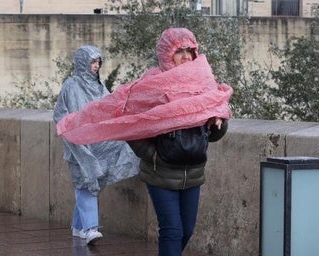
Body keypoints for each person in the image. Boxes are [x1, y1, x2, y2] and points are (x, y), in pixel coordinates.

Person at [126, 28, 229, 256]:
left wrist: (218, 120)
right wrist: (152, 154)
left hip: (192, 172)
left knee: (187, 231)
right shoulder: (152, 85)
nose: (186, 57)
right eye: (179, 51)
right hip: (161, 172)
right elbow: (131, 126)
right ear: (166, 54)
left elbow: (214, 135)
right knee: (172, 230)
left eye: (189, 51)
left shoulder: (204, 85)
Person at [53, 45, 140, 246]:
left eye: (98, 62)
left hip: (99, 143)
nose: (96, 66)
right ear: (83, 62)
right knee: (86, 182)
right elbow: (59, 114)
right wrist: (71, 130)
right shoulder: (70, 86)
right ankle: (91, 228)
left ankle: (78, 226)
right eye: (93, 62)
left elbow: (110, 107)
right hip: (78, 145)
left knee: (91, 183)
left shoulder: (100, 87)